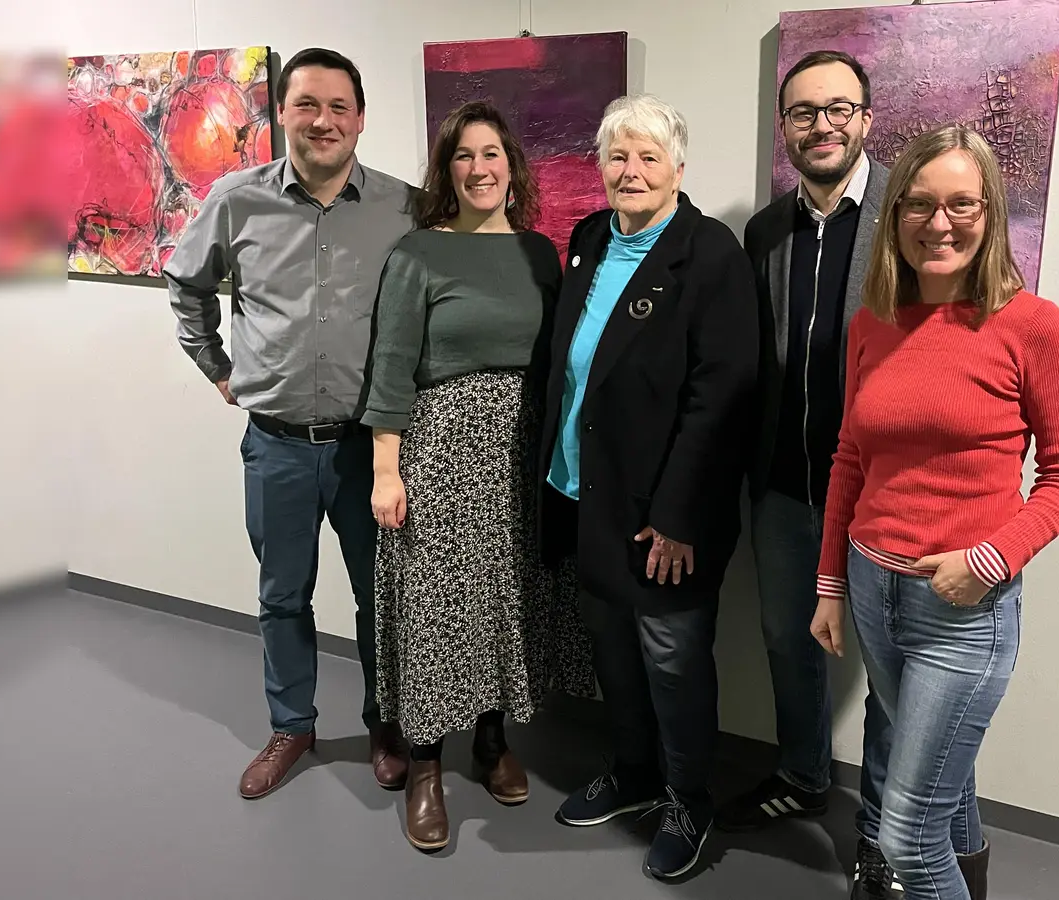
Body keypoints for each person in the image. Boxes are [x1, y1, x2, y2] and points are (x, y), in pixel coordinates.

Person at [809, 125, 1059, 900]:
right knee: (943, 778)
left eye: (962, 204)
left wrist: (990, 560)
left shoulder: (1035, 328)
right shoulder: (874, 321)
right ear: (895, 214)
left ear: (991, 212)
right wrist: (831, 584)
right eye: (921, 204)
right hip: (873, 589)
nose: (940, 224)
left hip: (962, 608)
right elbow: (850, 458)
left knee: (904, 835)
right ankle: (974, 877)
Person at [166, 48, 420, 802]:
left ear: (361, 119)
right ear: (282, 113)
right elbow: (186, 285)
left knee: (382, 597)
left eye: (339, 107)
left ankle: (385, 722)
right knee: (283, 595)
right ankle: (292, 725)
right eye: (307, 104)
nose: (324, 121)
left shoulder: (403, 207)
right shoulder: (237, 199)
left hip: (367, 452)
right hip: (274, 444)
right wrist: (217, 367)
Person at [537, 93, 759, 882]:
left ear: (678, 169)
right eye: (616, 157)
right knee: (613, 653)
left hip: (665, 519)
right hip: (587, 496)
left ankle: (687, 798)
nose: (630, 171)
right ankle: (633, 773)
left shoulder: (710, 255)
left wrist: (677, 517)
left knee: (672, 661)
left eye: (647, 157)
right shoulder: (590, 239)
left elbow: (721, 401)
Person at [363, 100, 592, 853]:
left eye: (492, 154)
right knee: (435, 603)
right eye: (465, 156)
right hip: (440, 447)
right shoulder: (418, 253)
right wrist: (386, 470)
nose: (480, 168)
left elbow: (562, 356)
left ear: (511, 168)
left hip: (521, 451)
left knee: (506, 597)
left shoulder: (539, 254)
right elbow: (391, 367)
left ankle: (492, 741)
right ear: (447, 170)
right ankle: (426, 765)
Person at [733, 49, 899, 898]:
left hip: (883, 498)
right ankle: (802, 776)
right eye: (804, 112)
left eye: (839, 109)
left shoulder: (910, 220)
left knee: (890, 672)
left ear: (867, 118)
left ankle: (883, 830)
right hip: (785, 488)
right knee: (786, 641)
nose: (823, 125)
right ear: (785, 128)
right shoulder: (765, 232)